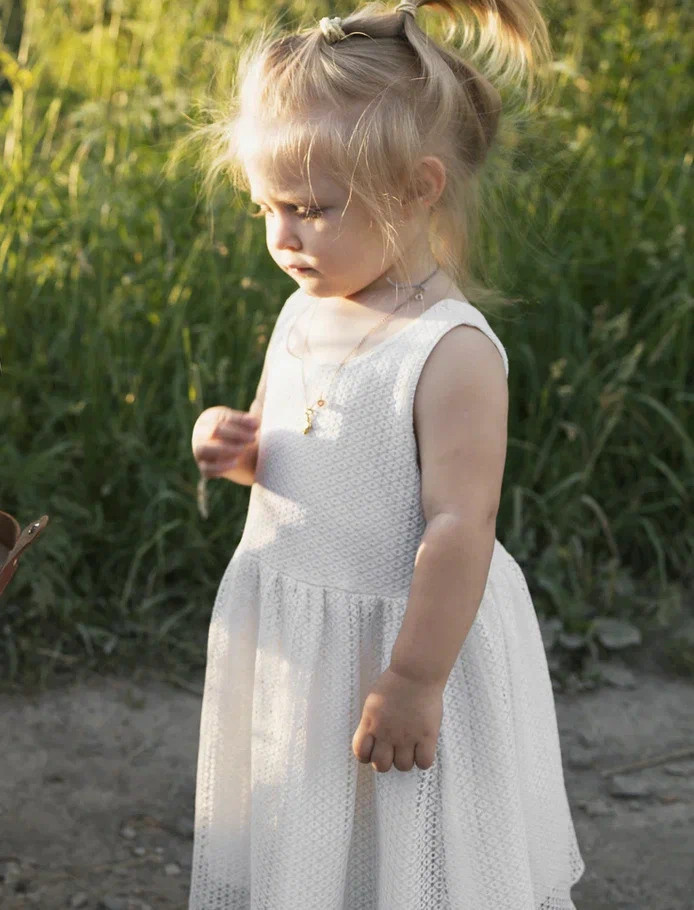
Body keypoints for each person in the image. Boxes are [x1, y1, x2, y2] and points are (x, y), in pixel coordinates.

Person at [188, 1, 584, 906]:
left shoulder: (450, 350)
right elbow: (289, 453)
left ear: (416, 188)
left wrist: (413, 679)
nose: (281, 237)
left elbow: (461, 521)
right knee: (320, 840)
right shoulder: (303, 310)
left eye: (310, 210)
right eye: (266, 208)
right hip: (306, 639)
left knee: (420, 849)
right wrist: (231, 442)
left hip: (407, 643)